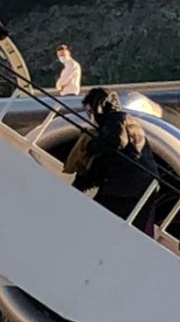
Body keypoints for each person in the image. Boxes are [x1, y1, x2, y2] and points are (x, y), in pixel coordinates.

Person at [66, 87, 157, 227]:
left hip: (125, 186)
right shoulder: (129, 122)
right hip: (144, 184)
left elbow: (116, 142)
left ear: (99, 107)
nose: (91, 117)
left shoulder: (115, 120)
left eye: (91, 111)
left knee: (97, 217)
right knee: (136, 228)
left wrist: (91, 144)